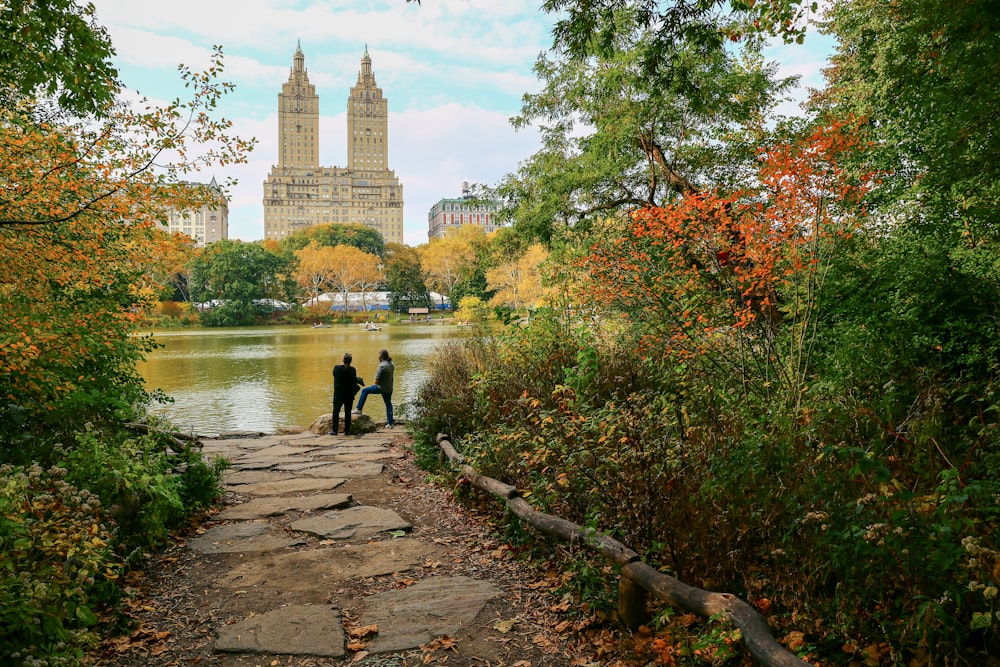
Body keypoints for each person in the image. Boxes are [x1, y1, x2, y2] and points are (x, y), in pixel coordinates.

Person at [354, 348, 394, 428]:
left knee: (364, 390)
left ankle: (359, 409)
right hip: (389, 388)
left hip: (381, 387)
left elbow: (376, 381)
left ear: (381, 357)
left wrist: (376, 383)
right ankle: (390, 423)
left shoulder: (381, 366)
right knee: (388, 404)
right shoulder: (391, 364)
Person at [331, 352, 362, 435]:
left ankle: (334, 430)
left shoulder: (337, 368)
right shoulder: (353, 370)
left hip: (339, 394)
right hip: (349, 395)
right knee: (348, 412)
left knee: (336, 411)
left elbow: (334, 375)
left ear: (343, 360)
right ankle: (347, 431)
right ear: (350, 361)